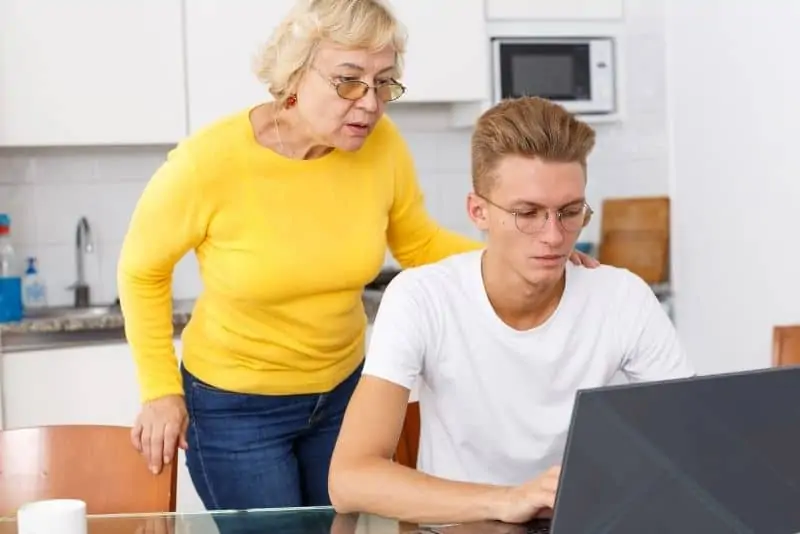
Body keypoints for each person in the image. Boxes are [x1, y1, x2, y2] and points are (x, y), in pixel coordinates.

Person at [118, 0, 598, 512]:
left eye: (384, 83)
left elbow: (418, 244)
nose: (370, 104)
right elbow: (142, 270)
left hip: (343, 394)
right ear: (296, 74)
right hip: (237, 406)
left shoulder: (382, 147)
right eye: (348, 81)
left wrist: (525, 253)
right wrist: (160, 390)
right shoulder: (207, 163)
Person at [327, 96, 696, 525]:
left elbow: (690, 446)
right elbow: (349, 480)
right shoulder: (421, 298)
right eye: (528, 213)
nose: (554, 236)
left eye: (570, 212)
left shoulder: (623, 297)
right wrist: (507, 500)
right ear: (478, 211)